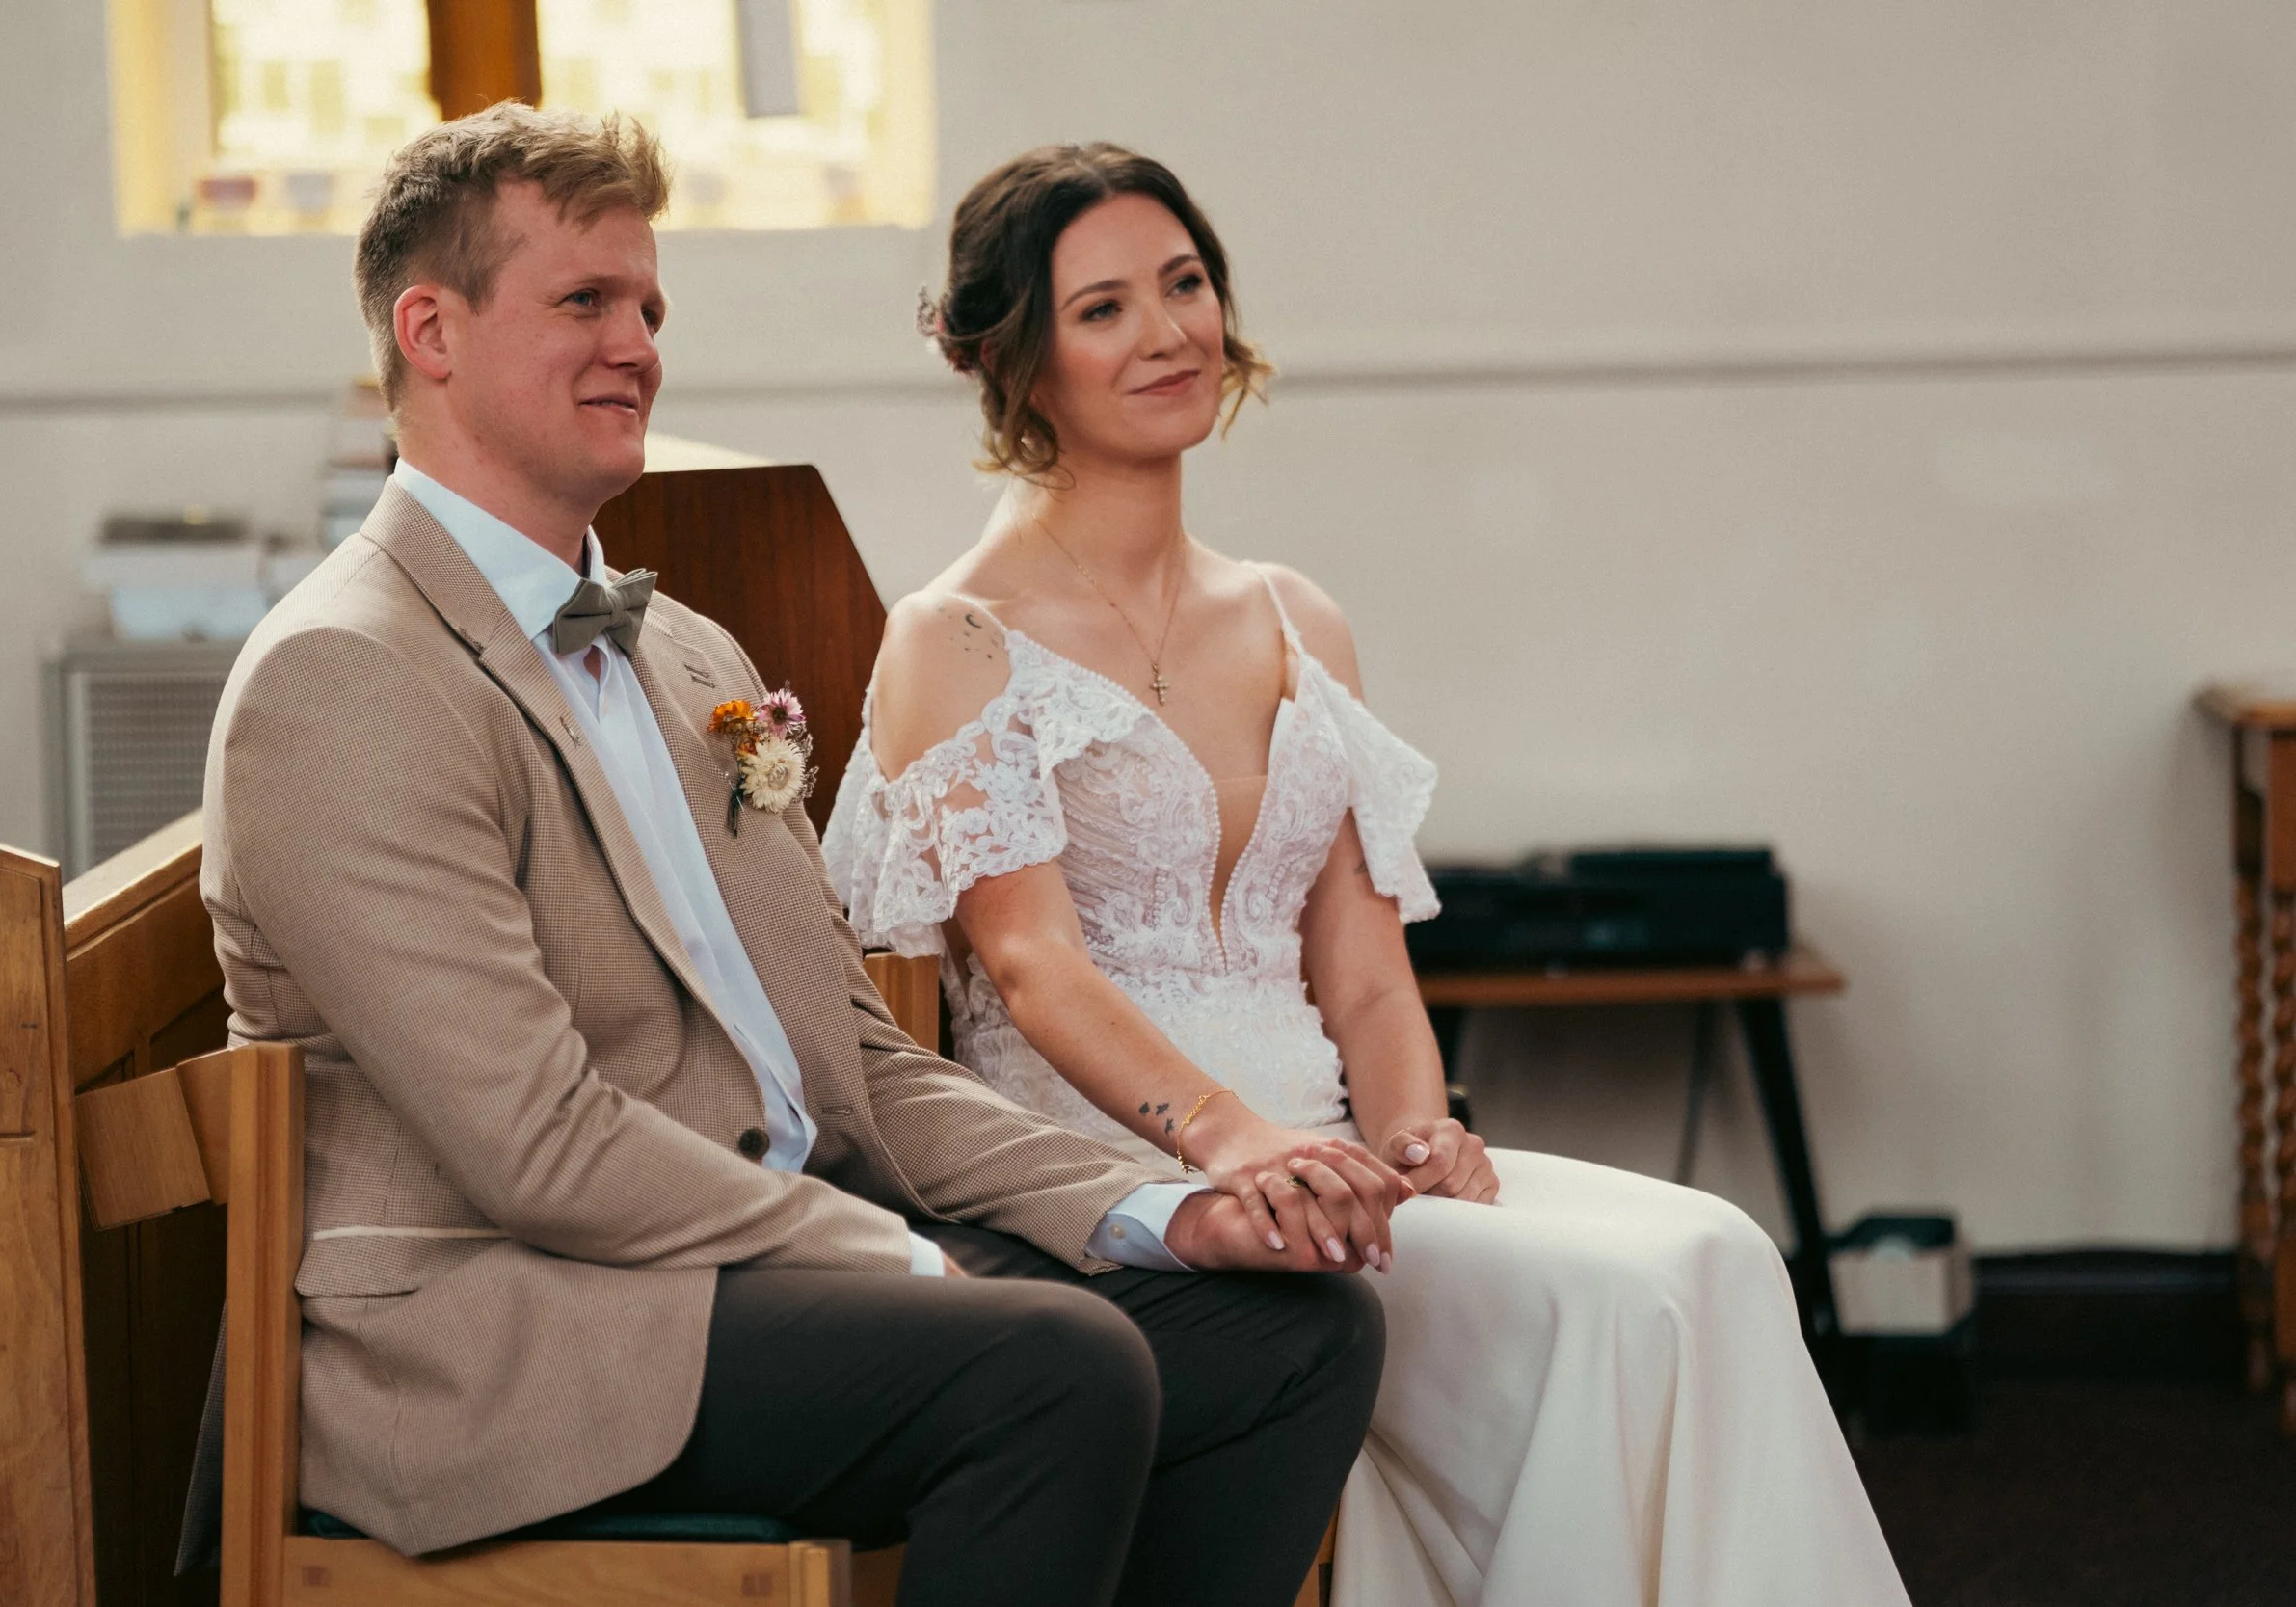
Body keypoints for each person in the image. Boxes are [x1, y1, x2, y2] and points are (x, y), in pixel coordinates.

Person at [197, 105, 1397, 1607]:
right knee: (1053, 1368)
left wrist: (1156, 1203)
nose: (636, 343)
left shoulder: (682, 646)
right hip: (511, 1331)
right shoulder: (345, 676)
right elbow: (535, 1144)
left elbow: (851, 1057)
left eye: (648, 307)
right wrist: (889, 1259)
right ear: (428, 331)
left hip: (746, 1262)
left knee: (1295, 1333)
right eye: (584, 301)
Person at [826, 142, 1914, 1607]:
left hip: (1346, 1175)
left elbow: (1360, 963)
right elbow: (1031, 966)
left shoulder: (1295, 618)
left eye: (1187, 283)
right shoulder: (952, 636)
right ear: (1012, 360)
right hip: (1137, 1189)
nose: (1167, 333)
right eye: (1102, 309)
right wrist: (1235, 1148)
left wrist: (1417, 1136)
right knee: (1633, 1308)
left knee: (1720, 1253)